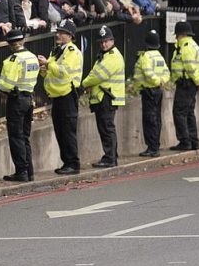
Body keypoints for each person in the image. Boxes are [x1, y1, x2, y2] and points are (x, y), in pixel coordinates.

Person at [38, 19, 82, 175]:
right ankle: (67, 162)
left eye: (62, 32)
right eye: (58, 32)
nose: (58, 34)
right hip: (56, 95)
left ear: (69, 36)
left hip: (67, 95)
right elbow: (50, 72)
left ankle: (73, 163)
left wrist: (48, 65)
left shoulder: (72, 51)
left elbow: (64, 71)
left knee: (67, 131)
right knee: (60, 130)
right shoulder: (56, 50)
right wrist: (43, 68)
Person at [0, 29, 39, 182]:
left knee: (16, 136)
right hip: (29, 98)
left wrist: (1, 89)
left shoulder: (13, 59)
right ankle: (29, 171)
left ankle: (21, 171)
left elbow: (7, 84)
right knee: (25, 136)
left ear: (10, 44)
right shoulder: (32, 57)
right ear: (22, 41)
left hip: (16, 100)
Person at [82, 25, 125, 168]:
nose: (103, 44)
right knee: (106, 127)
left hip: (107, 97)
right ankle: (112, 155)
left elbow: (97, 75)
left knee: (107, 128)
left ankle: (110, 158)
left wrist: (84, 83)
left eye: (106, 41)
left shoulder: (113, 57)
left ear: (112, 41)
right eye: (101, 42)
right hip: (103, 97)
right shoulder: (105, 55)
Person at [169, 21, 199, 150]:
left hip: (186, 84)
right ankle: (193, 141)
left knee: (179, 112)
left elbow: (190, 67)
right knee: (189, 112)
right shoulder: (193, 45)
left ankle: (185, 141)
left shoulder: (186, 47)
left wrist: (198, 81)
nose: (176, 38)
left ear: (181, 34)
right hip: (190, 83)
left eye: (177, 35)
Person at [132, 30, 170, 157]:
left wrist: (156, 82)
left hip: (149, 91)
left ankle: (152, 147)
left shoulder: (146, 57)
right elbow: (167, 73)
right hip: (158, 91)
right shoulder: (159, 56)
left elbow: (147, 73)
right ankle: (155, 145)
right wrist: (161, 82)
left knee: (149, 120)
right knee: (156, 119)